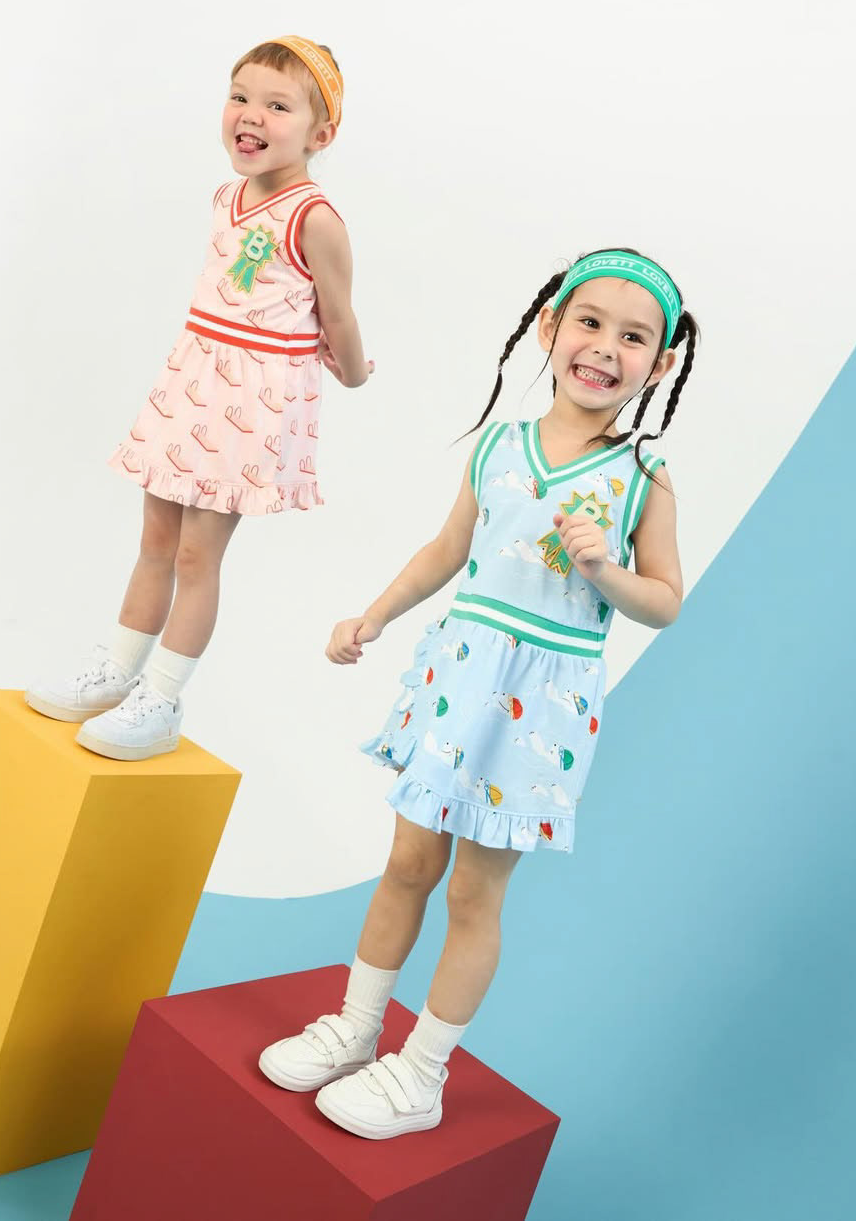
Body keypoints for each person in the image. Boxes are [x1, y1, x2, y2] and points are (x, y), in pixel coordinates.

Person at [259, 249, 700, 1139]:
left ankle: (421, 1074)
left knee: (472, 895)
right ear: (550, 327)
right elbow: (447, 549)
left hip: (540, 708)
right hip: (459, 678)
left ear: (658, 365)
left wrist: (605, 570)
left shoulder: (642, 479)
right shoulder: (498, 447)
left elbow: (665, 602)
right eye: (589, 322)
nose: (604, 347)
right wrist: (374, 614)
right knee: (407, 866)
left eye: (632, 338)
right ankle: (355, 1027)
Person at [25, 36, 372, 759]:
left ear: (321, 134)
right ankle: (117, 668)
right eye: (240, 97)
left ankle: (162, 698)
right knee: (154, 541)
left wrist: (353, 371)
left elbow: (336, 312)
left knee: (194, 557)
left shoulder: (315, 219)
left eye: (278, 106)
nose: (251, 115)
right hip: (193, 382)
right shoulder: (226, 197)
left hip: (249, 401)